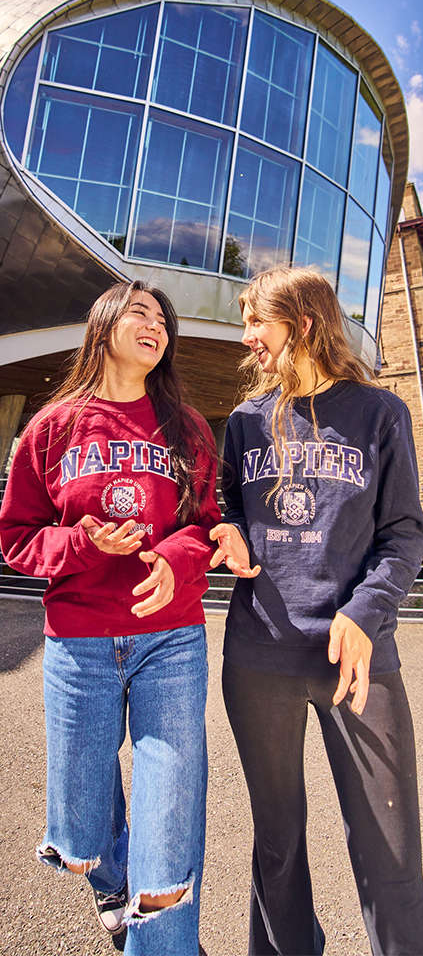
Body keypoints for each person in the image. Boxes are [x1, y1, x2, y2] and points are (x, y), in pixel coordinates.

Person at [210, 266, 423, 956]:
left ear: (304, 323)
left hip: (357, 662)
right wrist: (226, 530)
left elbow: (405, 532)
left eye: (258, 321)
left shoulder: (380, 413)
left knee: (390, 856)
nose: (247, 336)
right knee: (277, 845)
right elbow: (226, 507)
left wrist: (365, 609)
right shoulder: (248, 424)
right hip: (259, 659)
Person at [0, 280, 221, 956]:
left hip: (172, 642)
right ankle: (112, 881)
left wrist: (175, 560)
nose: (156, 325)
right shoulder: (52, 426)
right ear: (103, 325)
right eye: (140, 312)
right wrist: (83, 545)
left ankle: (161, 939)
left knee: (169, 822)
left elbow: (207, 526)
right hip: (77, 647)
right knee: (84, 833)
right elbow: (17, 537)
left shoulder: (188, 427)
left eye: (163, 319)